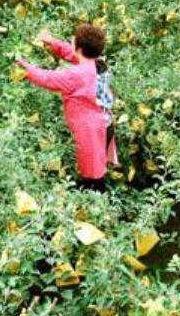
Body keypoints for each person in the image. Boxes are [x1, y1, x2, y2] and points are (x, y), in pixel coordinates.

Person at [16, 25, 118, 192]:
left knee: (93, 176)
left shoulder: (77, 75)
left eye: (73, 40)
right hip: (104, 124)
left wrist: (22, 65)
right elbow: (72, 54)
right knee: (96, 167)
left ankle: (95, 206)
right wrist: (52, 42)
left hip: (90, 131)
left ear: (79, 47)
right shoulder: (98, 62)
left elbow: (47, 79)